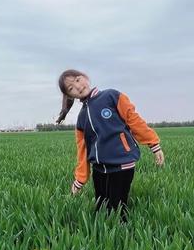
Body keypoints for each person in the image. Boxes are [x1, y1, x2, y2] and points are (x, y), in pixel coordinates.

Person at [56, 69, 164, 221]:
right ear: (70, 96)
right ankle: (102, 237)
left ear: (85, 77)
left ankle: (125, 237)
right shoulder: (81, 118)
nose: (78, 87)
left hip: (122, 164)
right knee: (101, 208)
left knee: (118, 208)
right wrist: (80, 180)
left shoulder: (111, 96)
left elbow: (134, 120)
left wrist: (154, 144)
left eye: (78, 80)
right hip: (99, 169)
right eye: (71, 88)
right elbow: (82, 151)